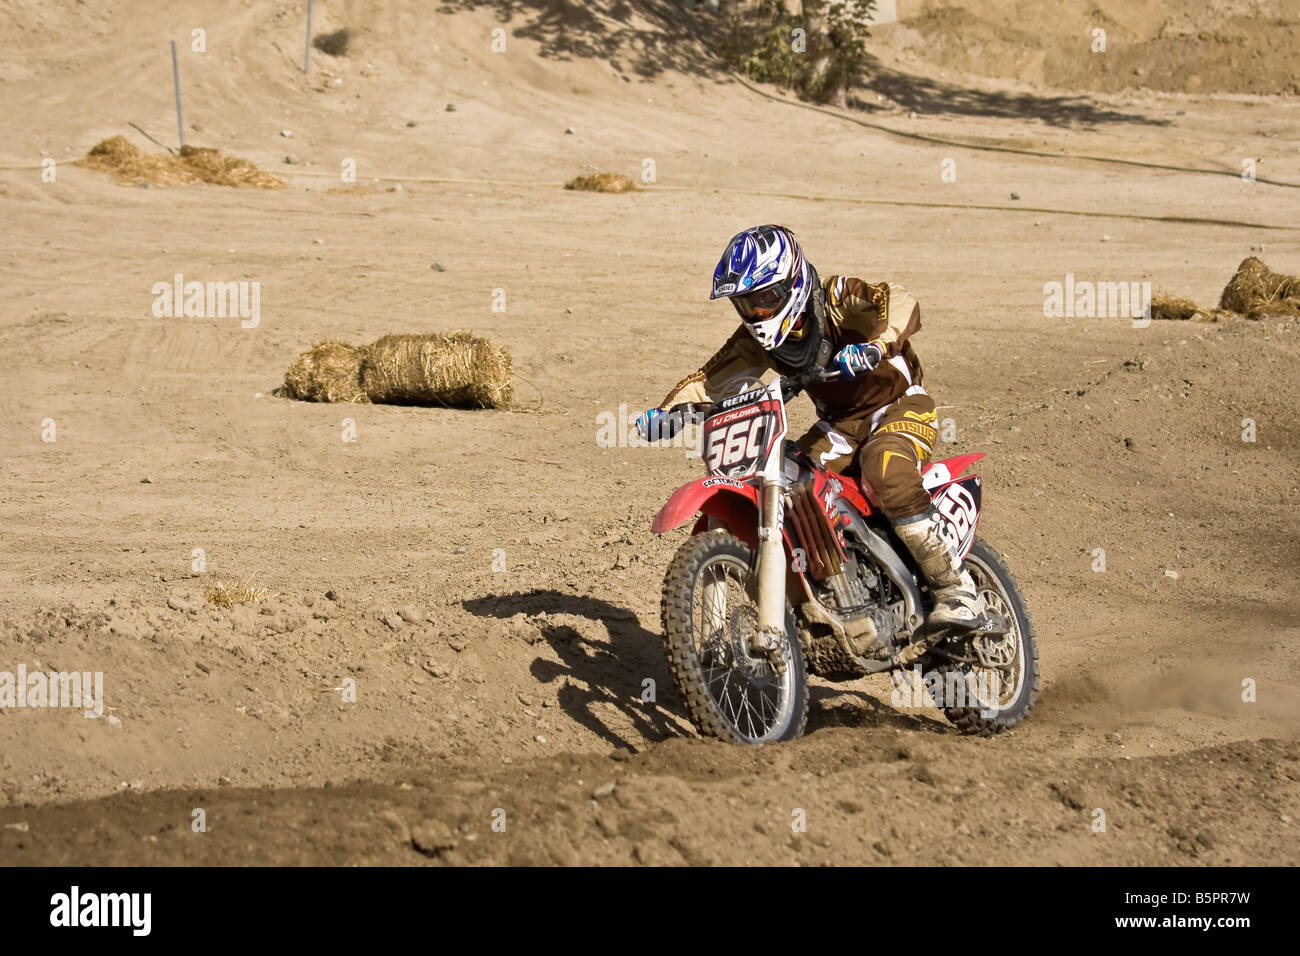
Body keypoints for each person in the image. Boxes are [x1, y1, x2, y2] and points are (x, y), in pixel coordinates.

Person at [636, 224, 983, 631]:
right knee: (789, 479)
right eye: (746, 304)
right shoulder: (757, 340)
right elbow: (709, 381)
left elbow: (899, 301)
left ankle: (957, 591)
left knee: (884, 468)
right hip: (839, 428)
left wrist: (874, 346)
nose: (758, 313)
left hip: (899, 406)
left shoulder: (836, 299)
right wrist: (667, 414)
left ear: (793, 282)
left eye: (766, 298)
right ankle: (835, 586)